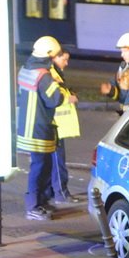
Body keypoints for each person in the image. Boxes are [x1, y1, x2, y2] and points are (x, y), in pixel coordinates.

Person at [17, 36, 76, 221]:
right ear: (49, 54)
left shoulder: (26, 69)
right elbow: (54, 100)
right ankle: (33, 206)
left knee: (42, 165)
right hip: (40, 128)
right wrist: (60, 90)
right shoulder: (43, 75)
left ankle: (40, 202)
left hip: (27, 127)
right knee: (39, 167)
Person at [46, 48, 81, 205]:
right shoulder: (52, 74)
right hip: (56, 125)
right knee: (58, 161)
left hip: (55, 125)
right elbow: (55, 97)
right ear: (55, 58)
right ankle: (61, 193)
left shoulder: (54, 73)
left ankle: (53, 192)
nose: (66, 63)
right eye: (64, 59)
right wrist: (69, 98)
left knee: (53, 161)